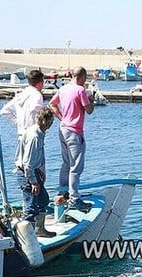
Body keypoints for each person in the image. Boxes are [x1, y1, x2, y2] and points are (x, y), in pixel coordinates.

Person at [48, 66, 94, 212]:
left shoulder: (63, 89)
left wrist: (62, 118)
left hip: (63, 129)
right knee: (76, 167)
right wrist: (91, 99)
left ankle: (63, 192)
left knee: (66, 163)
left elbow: (52, 104)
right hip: (75, 131)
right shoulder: (80, 90)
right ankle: (74, 199)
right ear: (81, 78)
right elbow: (89, 110)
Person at [17, 107, 56, 238]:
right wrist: (33, 182)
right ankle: (27, 238)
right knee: (31, 206)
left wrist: (40, 170)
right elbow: (27, 163)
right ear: (47, 121)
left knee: (43, 199)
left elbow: (35, 159)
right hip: (27, 174)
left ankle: (39, 230)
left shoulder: (38, 132)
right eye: (51, 121)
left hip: (34, 171)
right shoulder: (34, 137)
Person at [0, 69, 45, 170]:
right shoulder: (37, 95)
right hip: (34, 135)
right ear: (40, 83)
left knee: (21, 164)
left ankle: (23, 185)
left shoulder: (22, 94)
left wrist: (18, 121)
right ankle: (34, 185)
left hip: (21, 134)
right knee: (35, 167)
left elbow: (4, 111)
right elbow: (35, 109)